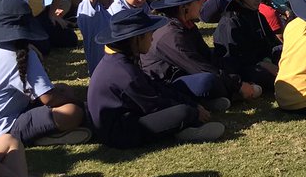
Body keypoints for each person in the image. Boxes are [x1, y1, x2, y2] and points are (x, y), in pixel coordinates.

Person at [87, 8, 227, 147]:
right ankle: (185, 127)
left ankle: (198, 106)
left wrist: (192, 103)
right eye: (149, 34)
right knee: (182, 112)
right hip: (121, 131)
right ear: (136, 39)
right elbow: (154, 105)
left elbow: (154, 87)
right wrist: (192, 112)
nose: (152, 37)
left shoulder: (122, 58)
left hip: (131, 112)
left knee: (173, 92)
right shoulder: (124, 72)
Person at [0, 0, 89, 146]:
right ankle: (40, 136)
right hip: (2, 127)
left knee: (63, 89)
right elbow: (48, 98)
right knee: (71, 112)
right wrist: (78, 103)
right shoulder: (21, 55)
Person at [141, 0, 254, 102]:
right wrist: (236, 85)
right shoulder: (171, 36)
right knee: (207, 81)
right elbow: (198, 67)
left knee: (231, 63)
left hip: (185, 72)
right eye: (198, 1)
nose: (202, 3)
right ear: (185, 7)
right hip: (167, 83)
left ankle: (218, 98)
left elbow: (206, 56)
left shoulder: (186, 25)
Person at [214, 0, 281, 92]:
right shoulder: (230, 22)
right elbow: (232, 58)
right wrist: (262, 64)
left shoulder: (258, 16)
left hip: (265, 59)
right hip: (245, 67)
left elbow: (272, 42)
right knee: (263, 76)